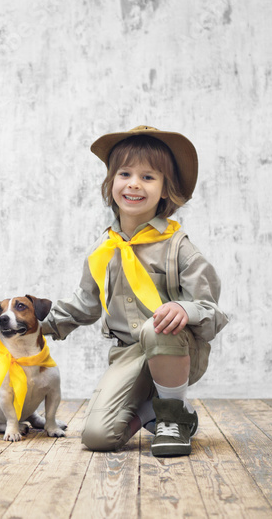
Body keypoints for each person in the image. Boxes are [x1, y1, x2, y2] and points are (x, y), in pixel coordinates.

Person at [40, 125, 228, 456]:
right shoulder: (104, 248)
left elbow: (211, 310)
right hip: (129, 354)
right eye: (124, 173)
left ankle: (173, 416)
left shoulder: (177, 246)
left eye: (148, 177)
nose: (134, 184)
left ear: (166, 191)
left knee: (158, 325)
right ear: (110, 183)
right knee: (97, 438)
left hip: (177, 348)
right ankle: (151, 411)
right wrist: (38, 324)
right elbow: (85, 304)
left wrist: (185, 309)